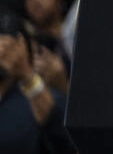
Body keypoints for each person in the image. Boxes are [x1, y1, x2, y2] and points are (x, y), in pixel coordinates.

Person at [0, 8, 75, 154]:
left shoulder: (44, 98)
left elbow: (66, 144)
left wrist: (26, 75)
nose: (2, 53)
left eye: (8, 48)